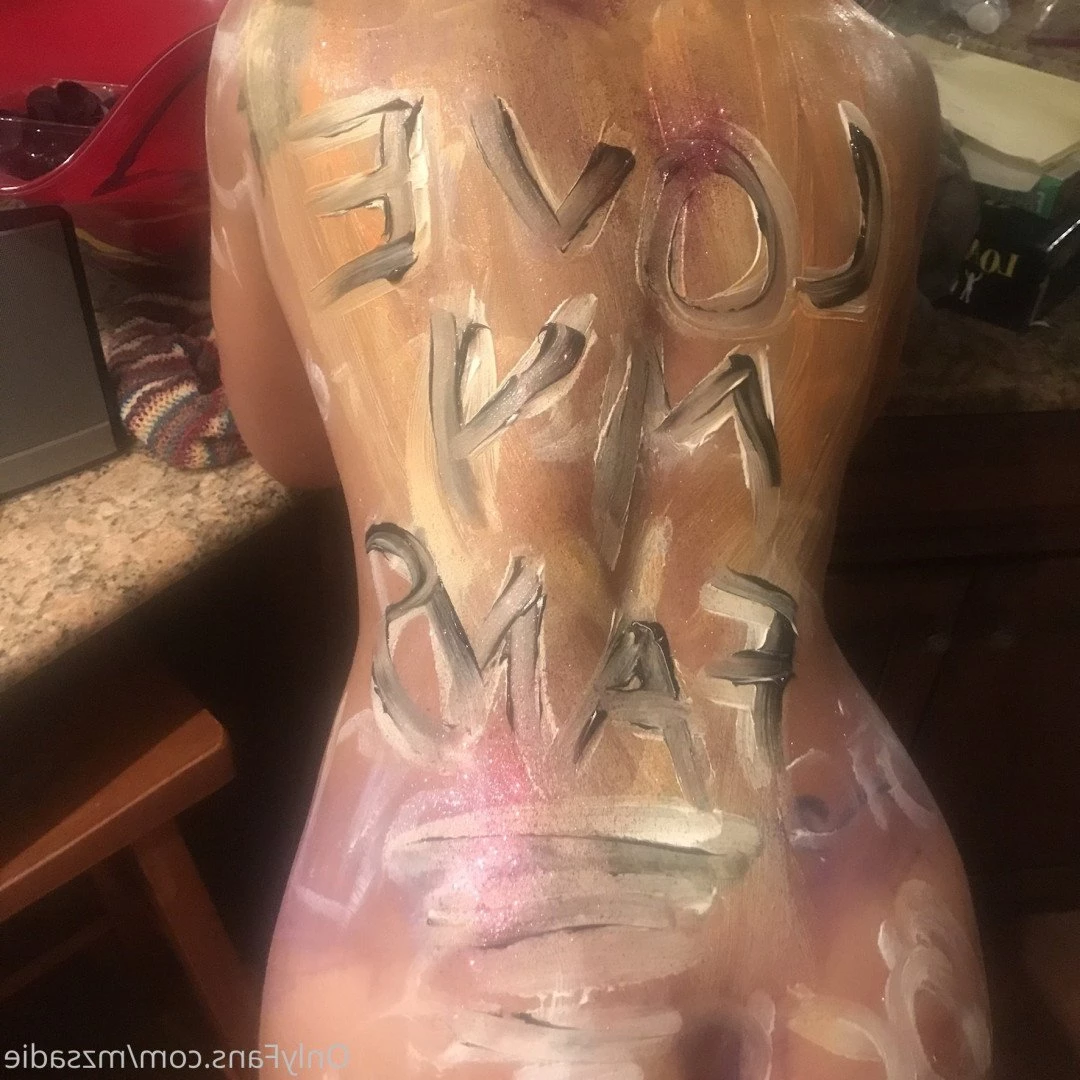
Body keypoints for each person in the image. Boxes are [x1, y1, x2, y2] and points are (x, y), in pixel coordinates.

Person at [207, 0, 991, 1075]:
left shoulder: (286, 44)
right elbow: (837, 421)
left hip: (437, 920)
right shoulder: (884, 74)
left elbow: (289, 438)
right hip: (843, 888)